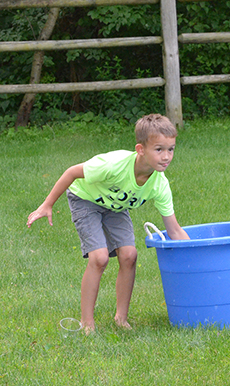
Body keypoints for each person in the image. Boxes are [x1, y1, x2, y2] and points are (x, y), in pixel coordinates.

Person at [27, 113, 190, 333]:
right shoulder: (113, 165)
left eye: (171, 149)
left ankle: (121, 319)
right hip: (85, 199)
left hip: (115, 207)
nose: (166, 156)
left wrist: (197, 255)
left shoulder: (159, 184)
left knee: (130, 255)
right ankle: (87, 323)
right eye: (159, 149)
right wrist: (47, 205)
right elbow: (72, 173)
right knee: (100, 257)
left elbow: (174, 230)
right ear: (140, 149)